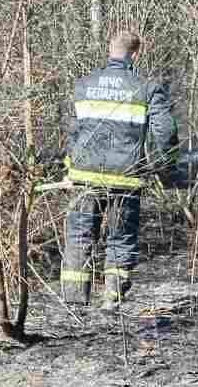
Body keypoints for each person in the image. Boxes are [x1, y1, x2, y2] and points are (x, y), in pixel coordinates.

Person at [61, 31, 178, 313]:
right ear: (135, 54)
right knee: (120, 238)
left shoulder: (83, 85)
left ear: (109, 50)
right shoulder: (147, 88)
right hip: (126, 178)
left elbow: (71, 132)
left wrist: (70, 167)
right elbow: (165, 131)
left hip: (84, 178)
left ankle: (75, 304)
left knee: (79, 236)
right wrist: (164, 165)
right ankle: (112, 299)